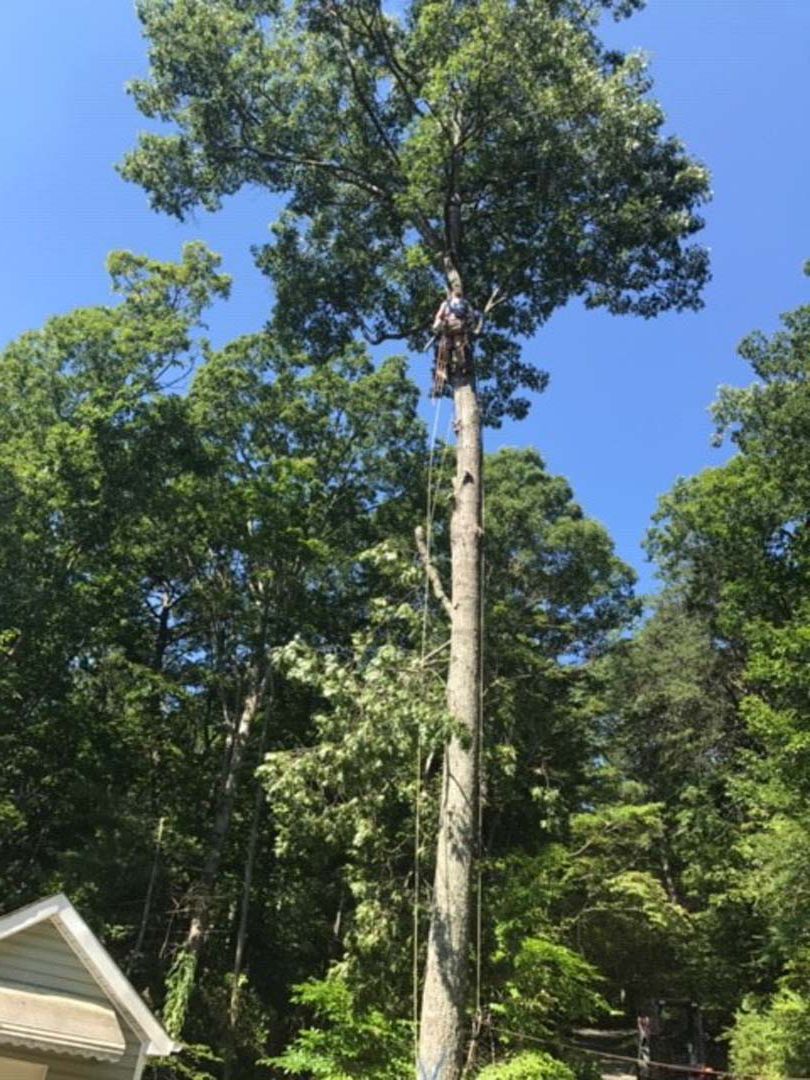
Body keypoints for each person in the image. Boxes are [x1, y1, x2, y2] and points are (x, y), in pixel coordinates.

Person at [430, 285, 482, 396]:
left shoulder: (465, 304)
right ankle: (444, 373)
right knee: (446, 350)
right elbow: (439, 315)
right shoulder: (447, 303)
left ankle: (464, 367)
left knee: (460, 349)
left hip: (459, 329)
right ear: (453, 292)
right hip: (449, 328)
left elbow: (471, 317)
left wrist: (471, 326)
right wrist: (437, 324)